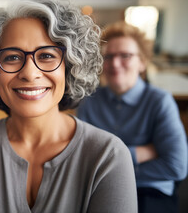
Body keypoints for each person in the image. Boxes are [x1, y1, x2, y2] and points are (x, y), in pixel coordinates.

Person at [0, 0, 137, 213]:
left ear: (71, 67)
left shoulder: (108, 156)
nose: (30, 73)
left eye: (47, 55)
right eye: (12, 57)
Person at [77, 21, 187, 213]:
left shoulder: (160, 101)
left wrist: (111, 167)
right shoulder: (89, 101)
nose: (115, 63)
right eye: (108, 56)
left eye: (125, 56)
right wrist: (141, 153)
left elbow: (176, 167)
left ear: (142, 62)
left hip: (150, 190)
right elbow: (83, 160)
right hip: (100, 190)